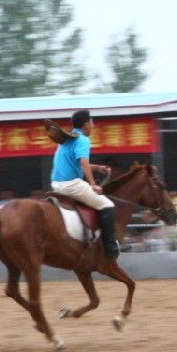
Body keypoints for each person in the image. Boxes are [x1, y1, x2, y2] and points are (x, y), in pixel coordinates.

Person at [50, 109, 118, 259]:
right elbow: (83, 162)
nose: (93, 125)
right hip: (71, 185)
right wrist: (93, 184)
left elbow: (79, 163)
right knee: (107, 205)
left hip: (56, 185)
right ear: (86, 123)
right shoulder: (83, 140)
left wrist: (97, 168)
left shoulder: (66, 139)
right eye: (92, 122)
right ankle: (111, 248)